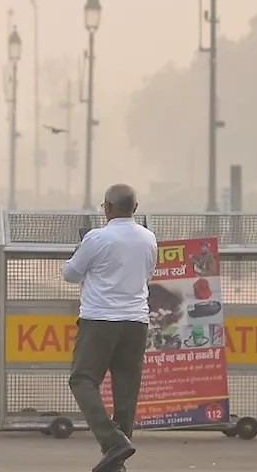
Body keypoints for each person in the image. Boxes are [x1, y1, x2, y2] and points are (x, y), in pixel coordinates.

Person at [63, 184, 156, 472]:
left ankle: (112, 441)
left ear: (107, 207)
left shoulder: (97, 238)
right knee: (126, 388)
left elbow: (70, 273)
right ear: (135, 208)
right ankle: (117, 459)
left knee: (82, 379)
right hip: (136, 321)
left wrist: (82, 249)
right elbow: (147, 274)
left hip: (100, 320)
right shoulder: (148, 238)